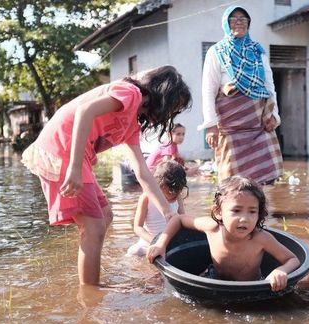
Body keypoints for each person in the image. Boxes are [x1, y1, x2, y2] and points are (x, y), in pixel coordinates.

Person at [21, 65, 192, 286]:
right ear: (164, 94)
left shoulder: (132, 124)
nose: (171, 114)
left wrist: (169, 214)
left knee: (105, 216)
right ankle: (90, 294)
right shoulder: (131, 93)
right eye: (173, 107)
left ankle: (90, 277)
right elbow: (85, 111)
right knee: (94, 227)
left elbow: (142, 171)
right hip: (63, 149)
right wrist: (73, 167)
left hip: (76, 156)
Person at [147, 176, 300, 292]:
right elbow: (178, 219)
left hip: (251, 287)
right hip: (214, 279)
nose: (244, 219)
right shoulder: (212, 228)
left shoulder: (260, 238)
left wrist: (280, 271)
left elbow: (292, 259)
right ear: (218, 212)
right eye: (236, 210)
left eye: (252, 212)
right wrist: (161, 244)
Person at [199, 5, 283, 185]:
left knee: (262, 180)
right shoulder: (216, 52)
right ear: (226, 24)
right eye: (234, 19)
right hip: (231, 130)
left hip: (258, 127)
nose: (239, 23)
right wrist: (211, 125)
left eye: (243, 19)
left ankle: (257, 212)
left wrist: (274, 114)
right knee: (231, 183)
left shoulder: (257, 51)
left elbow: (269, 85)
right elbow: (208, 90)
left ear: (248, 24)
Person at [127, 160, 187, 256]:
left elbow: (183, 219)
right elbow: (137, 227)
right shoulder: (146, 198)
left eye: (177, 191)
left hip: (170, 242)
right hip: (149, 243)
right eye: (169, 191)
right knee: (134, 251)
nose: (174, 194)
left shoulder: (178, 197)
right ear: (159, 185)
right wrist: (155, 242)